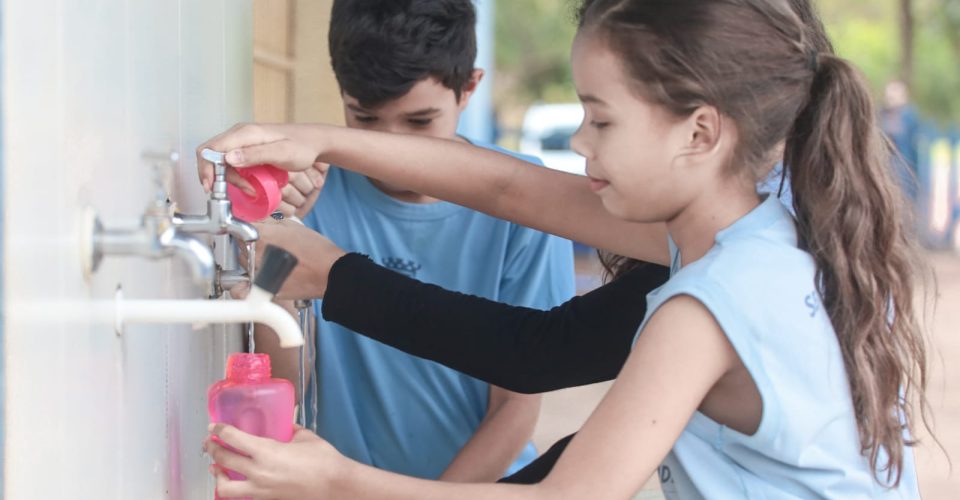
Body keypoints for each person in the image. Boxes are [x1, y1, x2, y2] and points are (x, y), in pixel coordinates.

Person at [201, 0, 931, 497]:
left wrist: (337, 480)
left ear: (701, 132)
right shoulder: (762, 224)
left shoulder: (705, 306)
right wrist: (318, 138)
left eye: (601, 120)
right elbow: (511, 188)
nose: (578, 142)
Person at [250, 0, 576, 484]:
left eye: (420, 122)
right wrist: (279, 235)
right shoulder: (304, 195)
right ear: (342, 91)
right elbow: (286, 389)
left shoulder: (526, 204)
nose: (391, 151)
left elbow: (515, 408)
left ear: (469, 88)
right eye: (365, 119)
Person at [880, 80, 921, 199]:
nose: (890, 99)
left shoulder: (909, 116)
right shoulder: (881, 115)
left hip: (904, 171)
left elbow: (913, 149)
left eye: (894, 96)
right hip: (885, 169)